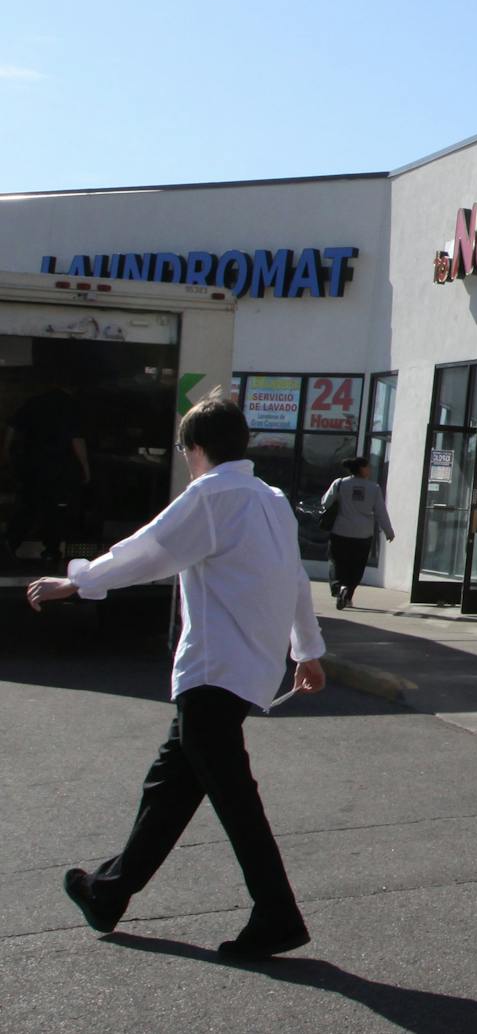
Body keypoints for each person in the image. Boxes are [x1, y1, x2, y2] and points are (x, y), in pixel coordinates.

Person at [28, 394, 327, 960]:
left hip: (213, 671)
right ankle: (108, 893)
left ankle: (278, 916)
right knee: (169, 787)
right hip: (243, 673)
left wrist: (77, 580)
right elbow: (295, 580)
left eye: (185, 449)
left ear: (196, 449)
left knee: (234, 799)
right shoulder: (272, 500)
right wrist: (306, 650)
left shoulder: (211, 495)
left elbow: (150, 551)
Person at [6, 385, 93, 563]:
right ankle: (51, 549)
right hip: (57, 467)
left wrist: (5, 450)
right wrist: (85, 467)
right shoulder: (70, 406)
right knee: (54, 509)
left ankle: (11, 542)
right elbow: (76, 438)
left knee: (28, 504)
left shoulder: (34, 402)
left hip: (31, 464)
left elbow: (12, 427)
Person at [320, 454, 393, 609]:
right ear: (362, 468)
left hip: (340, 531)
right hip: (363, 534)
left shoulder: (339, 483)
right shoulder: (374, 488)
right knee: (357, 566)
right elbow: (381, 512)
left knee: (336, 562)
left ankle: (339, 587)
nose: (370, 469)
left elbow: (325, 502)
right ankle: (348, 595)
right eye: (368, 466)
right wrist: (388, 531)